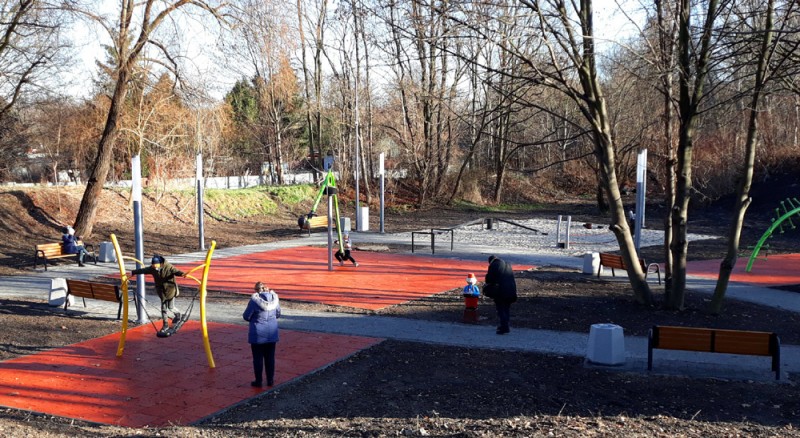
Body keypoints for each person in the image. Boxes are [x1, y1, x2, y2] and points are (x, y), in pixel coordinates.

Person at [131, 255, 186, 335]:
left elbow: (176, 271)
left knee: (171, 307)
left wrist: (182, 274)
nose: (154, 267)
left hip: (170, 290)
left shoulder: (168, 267)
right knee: (164, 309)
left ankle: (178, 314)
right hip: (161, 291)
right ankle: (165, 325)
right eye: (153, 265)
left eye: (155, 265)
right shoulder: (152, 269)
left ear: (160, 264)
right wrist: (133, 272)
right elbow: (144, 270)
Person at [243, 281, 281, 387]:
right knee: (270, 357)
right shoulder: (275, 300)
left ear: (256, 290)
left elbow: (246, 316)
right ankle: (270, 380)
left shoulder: (254, 301)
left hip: (258, 333)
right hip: (272, 332)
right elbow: (278, 314)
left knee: (258, 358)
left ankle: (258, 381)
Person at [483, 255, 517, 334]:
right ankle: (506, 325)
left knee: (501, 308)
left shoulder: (493, 265)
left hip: (501, 291)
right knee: (506, 308)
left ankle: (504, 327)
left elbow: (490, 279)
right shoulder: (507, 264)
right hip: (511, 289)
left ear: (490, 261)